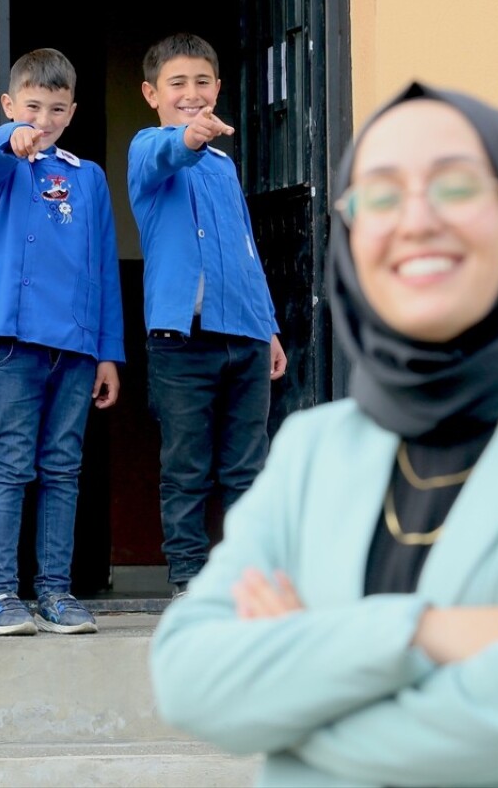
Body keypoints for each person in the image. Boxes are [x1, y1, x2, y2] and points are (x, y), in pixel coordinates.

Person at [148, 81, 498, 787]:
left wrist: (297, 703)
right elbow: (188, 677)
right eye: (379, 196)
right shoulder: (315, 449)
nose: (415, 221)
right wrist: (429, 631)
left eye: (456, 187)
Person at [0, 48, 124, 636]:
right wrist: (10, 140)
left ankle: (56, 590)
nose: (45, 119)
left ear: (73, 111)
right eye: (32, 107)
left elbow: (104, 266)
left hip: (77, 345)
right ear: (9, 104)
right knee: (12, 463)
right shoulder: (1, 168)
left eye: (57, 109)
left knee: (62, 467)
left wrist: (108, 352)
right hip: (14, 338)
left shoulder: (88, 177)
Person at [127, 32, 288, 599]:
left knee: (247, 465)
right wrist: (190, 136)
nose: (191, 93)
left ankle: (249, 577)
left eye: (201, 82)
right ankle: (189, 577)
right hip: (181, 339)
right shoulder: (148, 148)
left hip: (245, 333)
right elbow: (168, 152)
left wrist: (269, 326)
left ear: (218, 88)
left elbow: (245, 249)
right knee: (186, 466)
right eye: (177, 84)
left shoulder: (223, 165)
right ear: (151, 94)